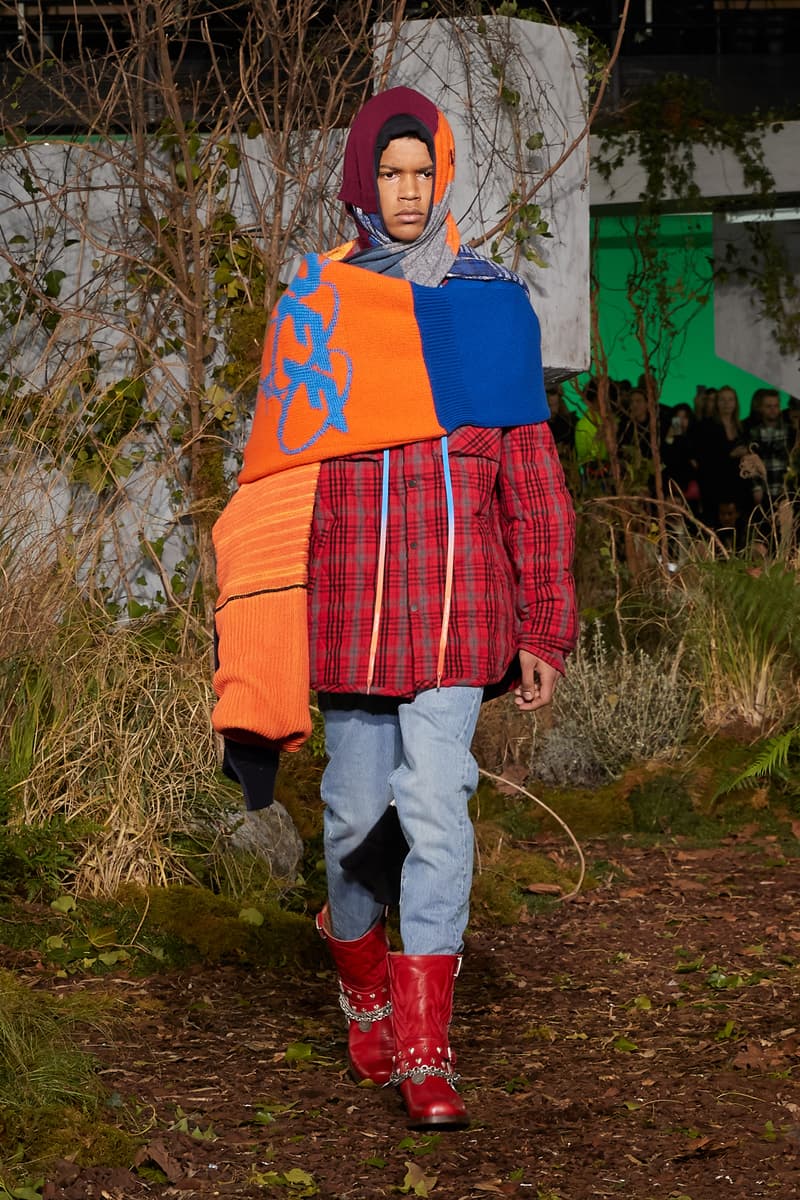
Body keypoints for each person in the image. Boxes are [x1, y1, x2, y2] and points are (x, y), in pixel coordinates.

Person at [210, 87, 578, 1130]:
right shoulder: (319, 306)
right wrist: (256, 614)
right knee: (350, 819)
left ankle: (424, 1047)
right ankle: (359, 974)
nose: (409, 191)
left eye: (423, 172)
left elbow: (531, 478)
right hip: (346, 607)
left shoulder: (488, 302)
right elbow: (274, 469)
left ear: (442, 175)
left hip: (460, 608)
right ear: (362, 181)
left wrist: (543, 624)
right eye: (391, 173)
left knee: (434, 812)